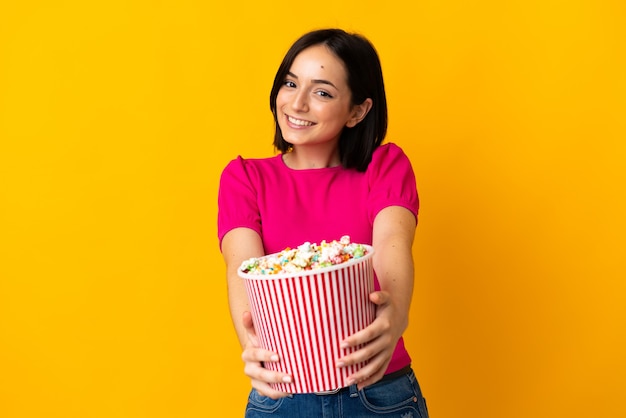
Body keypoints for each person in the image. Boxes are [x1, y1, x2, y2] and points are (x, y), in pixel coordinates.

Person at [218, 28, 429, 417]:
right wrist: (250, 344)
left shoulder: (384, 167)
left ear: (358, 111)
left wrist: (396, 313)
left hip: (379, 394)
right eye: (290, 83)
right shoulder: (244, 177)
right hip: (282, 395)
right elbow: (240, 266)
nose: (296, 104)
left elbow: (393, 243)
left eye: (322, 92)